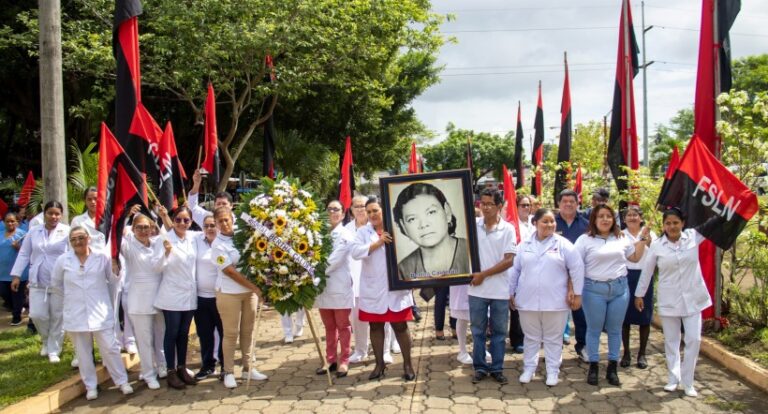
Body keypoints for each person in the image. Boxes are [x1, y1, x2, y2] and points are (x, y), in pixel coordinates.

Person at [635, 207, 711, 397]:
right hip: (669, 299)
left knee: (694, 339)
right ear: (663, 225)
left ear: (683, 223)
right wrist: (639, 295)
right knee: (671, 341)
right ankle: (672, 377)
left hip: (693, 298)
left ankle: (688, 381)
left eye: (675, 222)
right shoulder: (657, 246)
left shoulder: (693, 236)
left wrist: (730, 207)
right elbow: (647, 271)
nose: (672, 226)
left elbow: (713, 223)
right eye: (668, 223)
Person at [50, 227, 134, 400]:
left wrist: (116, 268)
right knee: (83, 352)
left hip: (99, 311)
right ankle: (90, 385)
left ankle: (121, 381)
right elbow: (56, 285)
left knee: (110, 348)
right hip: (76, 312)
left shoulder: (101, 257)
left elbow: (113, 280)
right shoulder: (62, 260)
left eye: (81, 237)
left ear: (88, 238)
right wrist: (70, 299)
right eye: (73, 239)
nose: (78, 242)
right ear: (70, 242)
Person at [574, 205, 649, 387]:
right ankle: (593, 367)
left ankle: (612, 369)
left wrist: (643, 239)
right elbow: (575, 266)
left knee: (615, 330)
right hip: (593, 291)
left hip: (619, 290)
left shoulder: (621, 238)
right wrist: (573, 290)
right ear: (594, 220)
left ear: (614, 220)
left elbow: (635, 258)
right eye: (601, 216)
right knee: (594, 330)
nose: (605, 219)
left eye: (609, 216)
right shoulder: (584, 240)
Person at [509, 208, 585, 386]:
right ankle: (529, 368)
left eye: (552, 221)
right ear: (535, 223)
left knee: (553, 338)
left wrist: (578, 294)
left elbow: (577, 269)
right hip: (527, 300)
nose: (550, 225)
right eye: (545, 221)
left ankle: (552, 371)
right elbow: (515, 271)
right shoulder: (524, 245)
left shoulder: (564, 244)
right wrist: (510, 292)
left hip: (556, 301)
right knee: (531, 337)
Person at [350, 196, 416, 381]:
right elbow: (355, 252)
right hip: (373, 289)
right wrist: (377, 243)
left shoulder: (397, 228)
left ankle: (408, 364)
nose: (371, 214)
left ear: (383, 210)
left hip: (396, 289)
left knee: (400, 326)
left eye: (375, 210)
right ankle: (379, 365)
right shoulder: (363, 232)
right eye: (368, 211)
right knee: (375, 326)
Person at [211, 206, 268, 388]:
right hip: (229, 293)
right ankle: (228, 371)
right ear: (217, 224)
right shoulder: (216, 245)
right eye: (220, 221)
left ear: (232, 219)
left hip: (248, 293)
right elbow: (230, 272)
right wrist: (255, 288)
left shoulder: (242, 235)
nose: (225, 223)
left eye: (227, 219)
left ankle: (248, 368)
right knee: (230, 334)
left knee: (248, 332)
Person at [10, 201, 70, 363]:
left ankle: (54, 349)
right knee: (37, 314)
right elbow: (24, 253)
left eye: (57, 213)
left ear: (61, 215)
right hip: (37, 279)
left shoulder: (67, 232)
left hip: (59, 281)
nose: (54, 216)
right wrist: (16, 275)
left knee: (57, 316)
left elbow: (72, 255)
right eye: (50, 213)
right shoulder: (34, 231)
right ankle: (46, 340)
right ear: (44, 214)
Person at [468, 188, 516, 384]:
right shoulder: (472, 226)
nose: (485, 208)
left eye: (490, 204)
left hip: (499, 290)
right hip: (476, 290)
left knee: (498, 333)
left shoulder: (508, 229)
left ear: (500, 206)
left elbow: (509, 260)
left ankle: (497, 368)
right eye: (482, 203)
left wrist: (483, 275)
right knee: (478, 331)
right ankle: (479, 367)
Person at [121, 212, 168, 389]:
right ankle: (149, 374)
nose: (143, 230)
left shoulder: (157, 244)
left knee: (161, 336)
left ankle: (162, 365)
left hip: (159, 297)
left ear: (152, 228)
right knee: (144, 339)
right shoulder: (128, 247)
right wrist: (124, 212)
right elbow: (114, 233)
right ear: (132, 229)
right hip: (139, 300)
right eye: (139, 227)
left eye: (146, 227)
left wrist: (163, 216)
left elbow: (169, 236)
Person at [154, 206, 199, 389]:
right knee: (171, 332)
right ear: (173, 220)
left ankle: (182, 367)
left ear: (190, 222)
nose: (182, 223)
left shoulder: (193, 238)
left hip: (189, 295)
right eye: (178, 219)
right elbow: (156, 267)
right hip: (171, 295)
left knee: (183, 334)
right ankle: (171, 371)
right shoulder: (163, 239)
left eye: (186, 220)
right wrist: (165, 252)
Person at [393, 182, 470, 281]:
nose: (423, 224)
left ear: (447, 211)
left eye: (431, 212)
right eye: (412, 219)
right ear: (403, 226)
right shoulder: (403, 269)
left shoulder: (471, 251)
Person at [314, 200, 355, 378]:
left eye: (336, 209)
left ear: (343, 213)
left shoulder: (346, 235)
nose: (333, 212)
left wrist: (311, 270)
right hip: (323, 287)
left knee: (343, 325)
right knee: (329, 326)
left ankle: (344, 360)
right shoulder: (318, 233)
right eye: (330, 209)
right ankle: (330, 359)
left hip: (339, 286)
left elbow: (333, 261)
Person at [554, 189, 589, 361]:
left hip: (579, 277)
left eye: (572, 201)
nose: (568, 204)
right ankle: (555, 350)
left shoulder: (587, 225)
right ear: (558, 204)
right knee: (556, 316)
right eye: (564, 201)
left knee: (580, 314)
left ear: (577, 204)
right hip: (555, 277)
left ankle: (582, 346)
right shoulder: (550, 223)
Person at [621, 206, 656, 369]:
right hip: (626, 276)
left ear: (641, 218)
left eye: (635, 215)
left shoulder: (650, 234)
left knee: (645, 317)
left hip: (645, 276)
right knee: (624, 317)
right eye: (629, 215)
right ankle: (626, 352)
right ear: (624, 219)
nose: (632, 218)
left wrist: (647, 240)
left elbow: (656, 253)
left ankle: (642, 353)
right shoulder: (620, 235)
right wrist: (640, 241)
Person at [193, 215, 224, 379]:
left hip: (221, 296)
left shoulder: (224, 242)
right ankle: (207, 365)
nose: (210, 228)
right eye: (206, 226)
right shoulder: (196, 241)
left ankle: (225, 365)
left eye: (213, 225)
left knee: (224, 332)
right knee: (204, 333)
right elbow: (173, 230)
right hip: (201, 298)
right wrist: (163, 216)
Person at [508, 194, 534, 354]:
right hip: (516, 269)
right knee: (516, 307)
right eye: (523, 205)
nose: (526, 208)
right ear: (516, 207)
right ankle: (517, 339)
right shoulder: (512, 224)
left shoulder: (534, 222)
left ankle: (531, 337)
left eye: (528, 205)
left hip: (533, 270)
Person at [346, 195, 370, 364]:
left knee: (381, 318)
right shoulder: (346, 229)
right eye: (357, 206)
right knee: (357, 319)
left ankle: (386, 349)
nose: (360, 209)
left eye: (363, 206)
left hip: (375, 280)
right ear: (352, 210)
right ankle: (361, 350)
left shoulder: (376, 226)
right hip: (354, 282)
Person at [0, 212, 27, 326]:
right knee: (4, 293)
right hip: (2, 272)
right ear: (4, 222)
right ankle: (22, 305)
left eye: (12, 221)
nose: (10, 223)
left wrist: (18, 247)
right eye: (8, 221)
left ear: (17, 222)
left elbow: (28, 253)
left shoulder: (23, 235)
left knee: (16, 295)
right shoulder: (0, 234)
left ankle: (16, 317)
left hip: (17, 273)